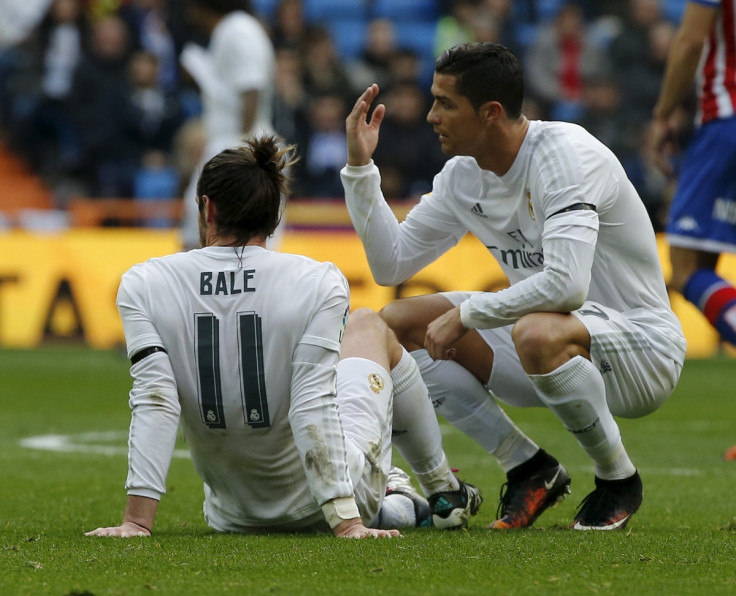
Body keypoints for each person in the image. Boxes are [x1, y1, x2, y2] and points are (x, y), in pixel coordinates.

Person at [341, 42, 686, 531]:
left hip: (642, 350)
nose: (430, 115)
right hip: (544, 343)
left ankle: (617, 480)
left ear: (491, 113)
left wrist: (468, 314)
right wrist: (360, 169)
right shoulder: (463, 175)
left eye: (444, 103)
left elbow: (566, 286)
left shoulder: (565, 157)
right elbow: (390, 264)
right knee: (394, 327)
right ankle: (528, 468)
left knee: (537, 331)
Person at [85, 136, 482, 539]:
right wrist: (346, 522)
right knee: (369, 326)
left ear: (208, 207)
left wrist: (136, 522)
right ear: (275, 215)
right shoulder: (316, 280)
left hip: (234, 516)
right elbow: (312, 401)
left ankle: (397, 498)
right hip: (336, 502)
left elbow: (156, 399)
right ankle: (441, 491)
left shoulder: (144, 283)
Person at [651, 0, 736, 460]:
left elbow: (690, 41)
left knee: (685, 269)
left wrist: (664, 112)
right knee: (702, 269)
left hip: (727, 124)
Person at [179, 0, 277, 251]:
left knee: (245, 246)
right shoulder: (233, 28)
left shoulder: (238, 29)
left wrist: (242, 150)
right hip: (238, 145)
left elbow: (251, 87)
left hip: (242, 146)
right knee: (200, 234)